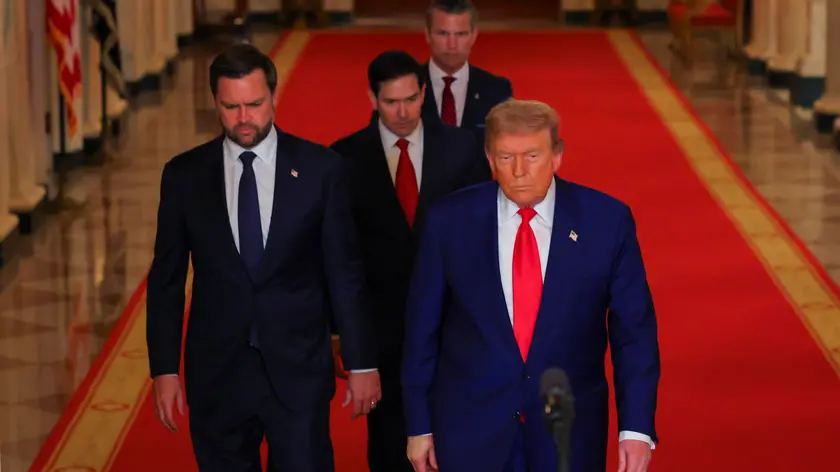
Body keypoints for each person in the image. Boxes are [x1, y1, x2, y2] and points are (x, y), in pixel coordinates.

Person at [145, 43, 381, 472]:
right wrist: (164, 370)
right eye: (230, 106)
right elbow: (166, 281)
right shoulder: (184, 176)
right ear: (215, 102)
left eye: (254, 104)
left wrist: (362, 361)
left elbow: (344, 273)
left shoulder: (321, 169)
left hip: (298, 370)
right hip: (218, 373)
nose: (243, 118)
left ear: (273, 96)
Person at [402, 99, 660, 472]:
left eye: (532, 156)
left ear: (557, 156)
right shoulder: (449, 221)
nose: (519, 170)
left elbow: (634, 333)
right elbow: (421, 330)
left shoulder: (607, 221)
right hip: (470, 429)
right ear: (489, 159)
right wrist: (418, 424)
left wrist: (635, 428)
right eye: (506, 157)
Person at [330, 50, 492, 472]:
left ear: (423, 93)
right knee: (389, 442)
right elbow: (338, 256)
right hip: (381, 329)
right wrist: (340, 332)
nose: (402, 112)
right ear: (372, 98)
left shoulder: (461, 148)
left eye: (410, 99)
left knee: (456, 436)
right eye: (390, 102)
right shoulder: (343, 159)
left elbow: (483, 239)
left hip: (451, 325)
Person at [421, 0, 513, 145]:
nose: (452, 45)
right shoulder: (408, 85)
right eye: (443, 33)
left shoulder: (497, 90)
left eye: (460, 34)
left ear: (474, 35)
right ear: (428, 34)